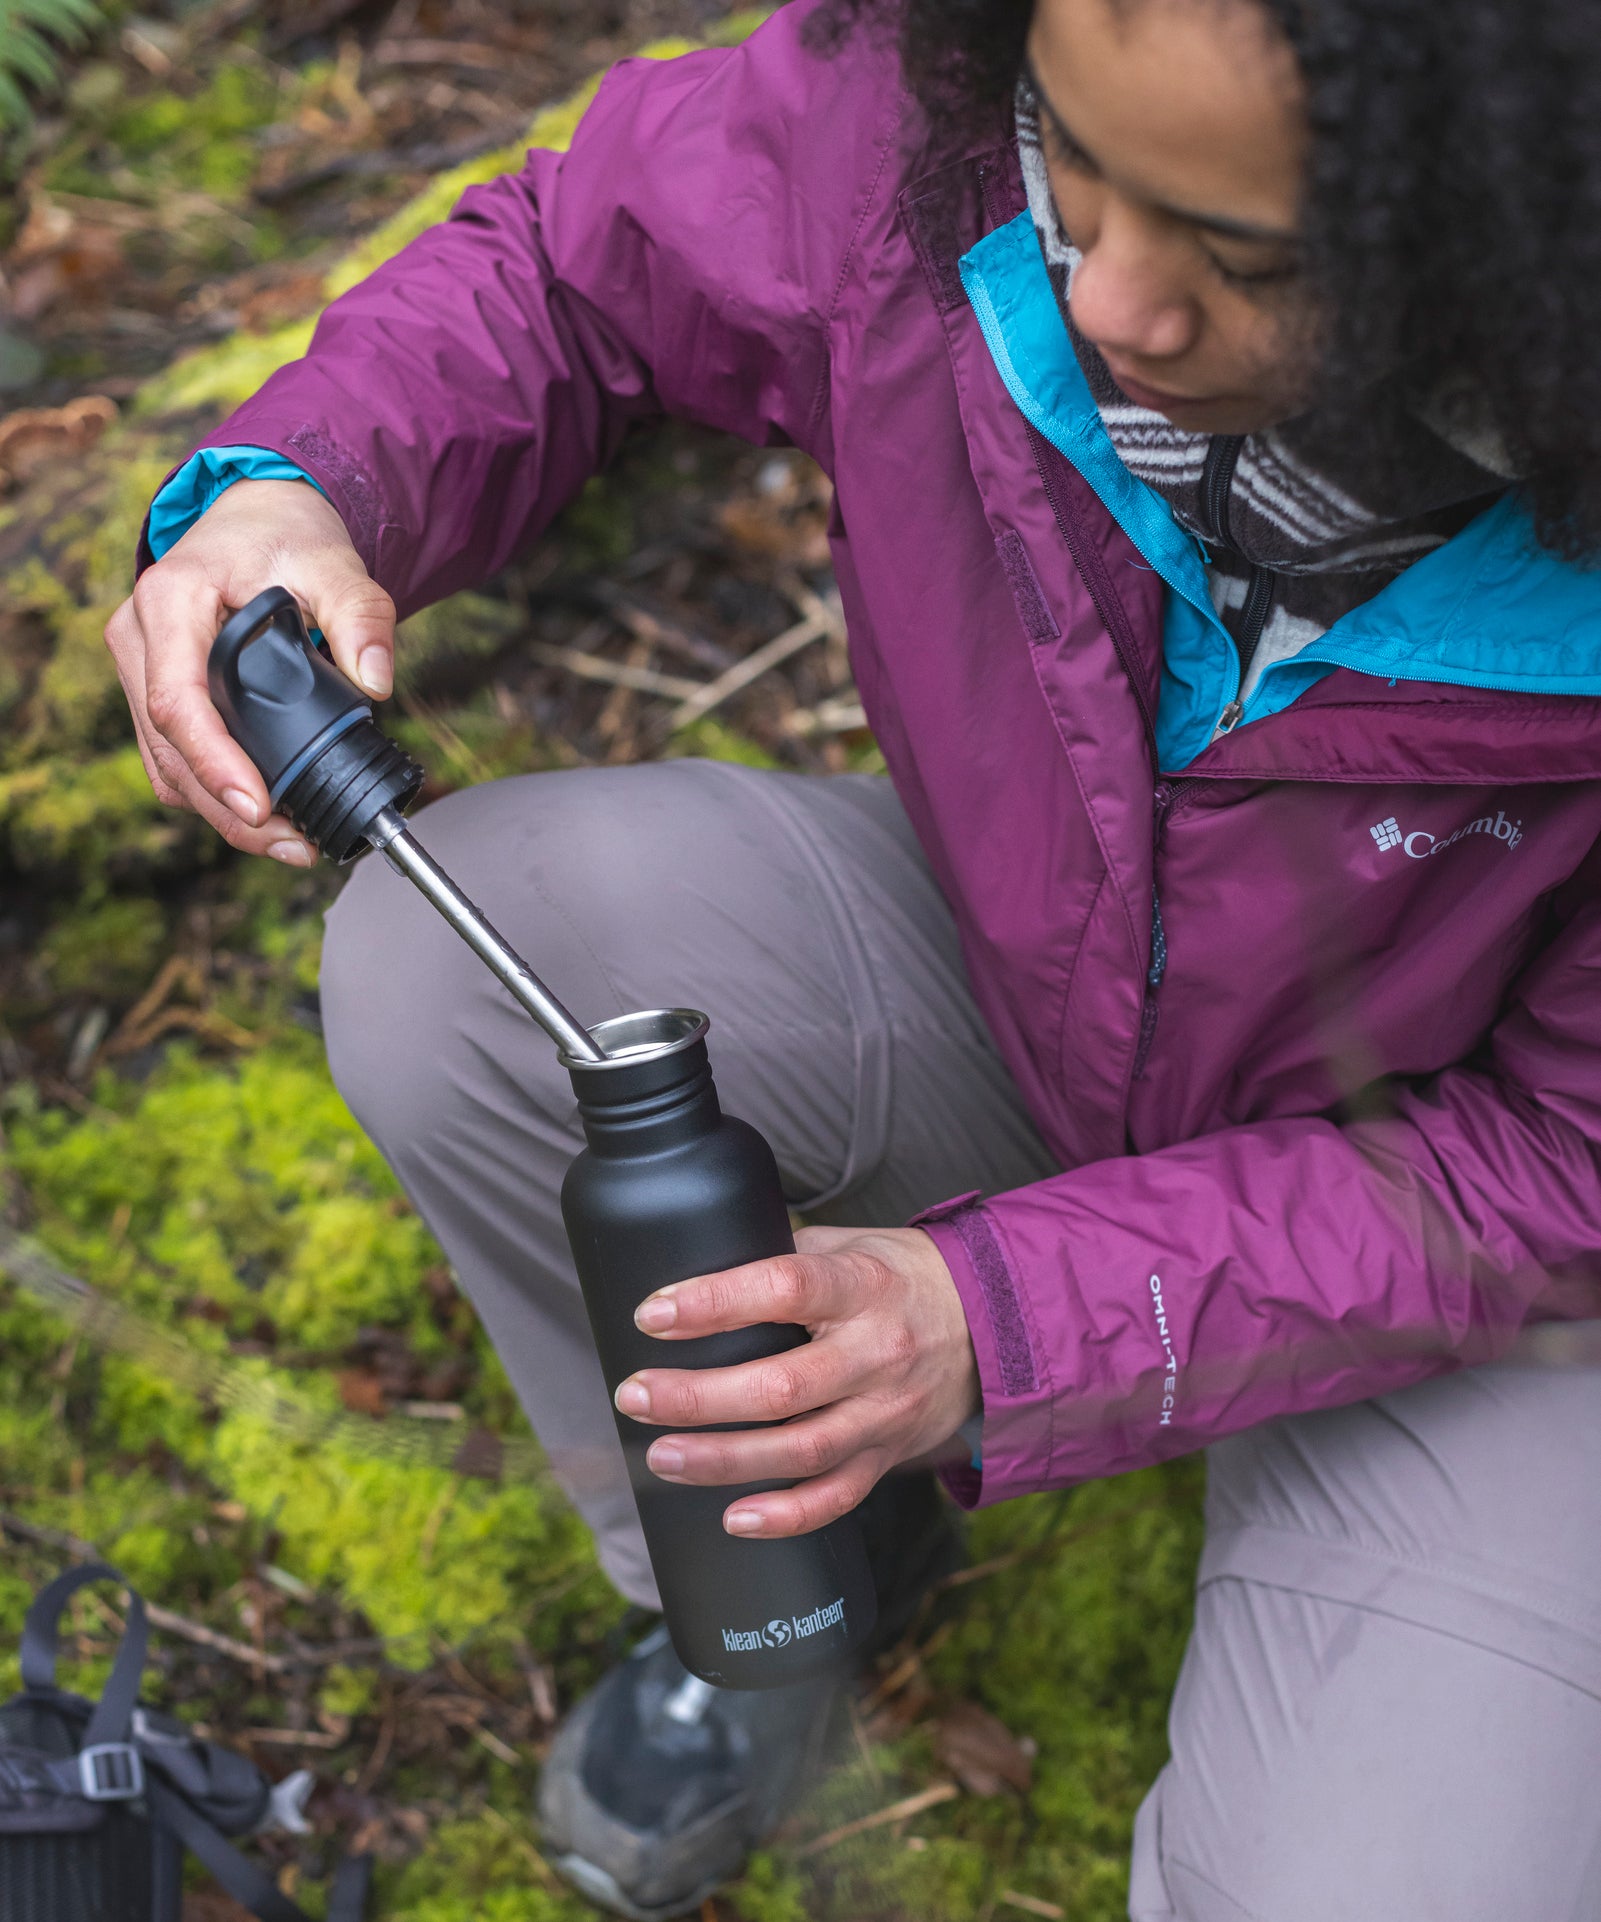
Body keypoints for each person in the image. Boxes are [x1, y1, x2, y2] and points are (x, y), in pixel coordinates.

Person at [106, 0, 1601, 1914]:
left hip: (1491, 1279)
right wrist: (304, 480)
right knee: (446, 964)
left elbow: (1560, 1162)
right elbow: (584, 267)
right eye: (1081, 167)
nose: (1113, 308)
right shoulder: (950, 140)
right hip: (1043, 1000)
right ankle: (791, 1567)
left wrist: (1006, 1316)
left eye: (1249, 257)